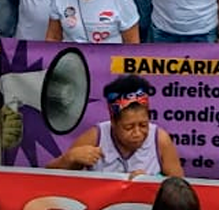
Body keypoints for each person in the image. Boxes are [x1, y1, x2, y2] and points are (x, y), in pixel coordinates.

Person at [48, 72, 181, 174]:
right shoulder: (96, 137)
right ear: (113, 122)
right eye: (128, 127)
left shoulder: (160, 139)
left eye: (143, 125)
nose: (137, 133)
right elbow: (47, 176)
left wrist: (149, 183)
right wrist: (69, 158)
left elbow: (179, 188)